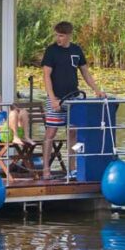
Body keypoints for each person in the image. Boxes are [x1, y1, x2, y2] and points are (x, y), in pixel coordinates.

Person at [41, 21, 104, 179]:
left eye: (61, 36)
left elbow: (85, 72)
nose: (58, 38)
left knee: (74, 132)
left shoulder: (76, 50)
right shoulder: (51, 51)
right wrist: (53, 98)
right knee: (51, 132)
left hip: (74, 98)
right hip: (56, 98)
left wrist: (96, 90)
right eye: (56, 35)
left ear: (69, 35)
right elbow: (46, 75)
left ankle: (72, 167)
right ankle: (46, 169)